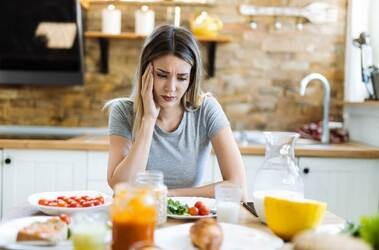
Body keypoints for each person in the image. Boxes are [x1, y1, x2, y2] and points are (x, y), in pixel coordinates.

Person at [107, 24, 246, 198]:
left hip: (186, 217)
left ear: (191, 78)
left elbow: (238, 187)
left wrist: (168, 195)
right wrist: (149, 119)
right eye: (162, 75)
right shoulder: (122, 111)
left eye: (182, 78)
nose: (171, 88)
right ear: (145, 72)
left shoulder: (206, 110)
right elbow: (121, 186)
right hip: (136, 217)